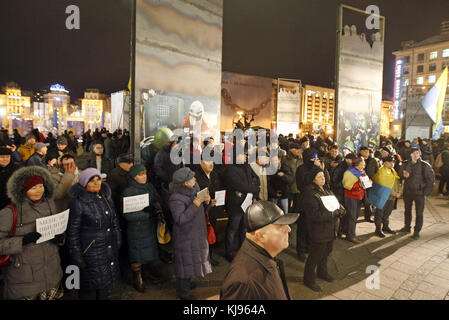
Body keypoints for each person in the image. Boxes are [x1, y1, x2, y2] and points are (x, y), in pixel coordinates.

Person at [0, 166, 64, 300]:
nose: (39, 191)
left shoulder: (50, 204)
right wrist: (22, 241)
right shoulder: (10, 212)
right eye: (33, 188)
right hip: (24, 279)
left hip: (52, 274)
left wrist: (59, 237)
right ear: (23, 190)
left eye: (41, 186)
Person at [220, 201, 299, 300]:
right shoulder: (243, 281)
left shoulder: (267, 257)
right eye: (280, 226)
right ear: (260, 236)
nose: (289, 229)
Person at [66, 168, 122, 300]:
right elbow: (72, 232)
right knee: (90, 286)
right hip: (90, 251)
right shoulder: (78, 202)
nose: (97, 183)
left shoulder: (105, 197)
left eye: (99, 180)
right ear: (84, 183)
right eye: (92, 181)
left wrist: (118, 239)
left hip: (107, 247)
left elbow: (114, 220)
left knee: (105, 284)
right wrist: (77, 255)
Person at [168, 167, 212, 300]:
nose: (195, 179)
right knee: (184, 263)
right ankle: (183, 293)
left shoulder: (195, 191)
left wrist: (208, 203)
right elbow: (180, 219)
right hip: (185, 236)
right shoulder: (176, 198)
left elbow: (200, 211)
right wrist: (195, 204)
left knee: (191, 261)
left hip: (196, 232)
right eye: (192, 177)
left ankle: (187, 283)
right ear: (185, 182)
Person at [302, 167, 345, 292]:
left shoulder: (326, 190)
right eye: (320, 177)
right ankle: (308, 280)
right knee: (314, 257)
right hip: (318, 230)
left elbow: (336, 203)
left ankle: (322, 272)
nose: (323, 178)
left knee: (326, 253)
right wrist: (333, 214)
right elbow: (314, 215)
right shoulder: (310, 193)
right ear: (313, 179)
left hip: (330, 229)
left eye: (324, 176)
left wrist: (341, 209)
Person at [122, 164, 164, 293]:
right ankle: (137, 278)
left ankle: (146, 273)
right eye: (140, 174)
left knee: (148, 252)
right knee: (137, 254)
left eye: (145, 173)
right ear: (134, 177)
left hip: (150, 226)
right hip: (136, 228)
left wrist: (155, 207)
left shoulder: (150, 187)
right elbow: (127, 215)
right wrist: (147, 214)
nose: (144, 176)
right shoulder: (128, 191)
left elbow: (158, 200)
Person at [223, 150, 260, 262]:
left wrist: (254, 186)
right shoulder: (230, 169)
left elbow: (256, 178)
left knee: (244, 228)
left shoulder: (246, 166)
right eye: (242, 155)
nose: (245, 156)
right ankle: (229, 252)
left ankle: (243, 250)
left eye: (245, 154)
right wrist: (254, 189)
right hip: (235, 204)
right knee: (232, 229)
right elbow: (239, 185)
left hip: (246, 202)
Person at [192, 154, 224, 266]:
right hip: (201, 212)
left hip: (213, 210)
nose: (211, 164)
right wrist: (208, 202)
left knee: (211, 234)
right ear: (201, 163)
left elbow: (219, 188)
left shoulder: (215, 174)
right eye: (207, 161)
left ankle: (209, 257)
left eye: (212, 161)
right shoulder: (195, 177)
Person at [399, 148, 435, 239]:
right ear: (410, 154)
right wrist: (403, 175)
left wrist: (425, 193)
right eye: (414, 153)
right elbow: (399, 176)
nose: (416, 155)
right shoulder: (406, 164)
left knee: (419, 213)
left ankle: (417, 231)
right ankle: (407, 227)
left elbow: (431, 180)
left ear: (420, 154)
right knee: (407, 210)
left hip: (419, 193)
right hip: (407, 192)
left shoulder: (424, 165)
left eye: (417, 153)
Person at [368, 156, 401, 238]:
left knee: (387, 212)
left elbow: (396, 182)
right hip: (383, 197)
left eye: (393, 162)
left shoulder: (392, 171)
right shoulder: (382, 172)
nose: (392, 164)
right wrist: (395, 194)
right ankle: (378, 229)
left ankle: (385, 227)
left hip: (391, 197)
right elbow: (383, 186)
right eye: (390, 162)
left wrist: (399, 191)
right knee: (379, 213)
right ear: (385, 163)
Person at [343, 157, 368, 243]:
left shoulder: (362, 172)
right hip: (351, 197)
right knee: (352, 217)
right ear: (357, 164)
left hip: (359, 197)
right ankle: (350, 236)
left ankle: (350, 233)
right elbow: (346, 185)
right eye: (362, 163)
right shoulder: (349, 173)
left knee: (355, 216)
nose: (364, 165)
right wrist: (359, 185)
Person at [281, 142, 303, 213]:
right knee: (288, 206)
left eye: (299, 149)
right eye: (297, 149)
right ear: (291, 150)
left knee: (298, 205)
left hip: (299, 186)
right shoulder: (284, 159)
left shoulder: (302, 159)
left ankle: (296, 219)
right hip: (289, 186)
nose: (298, 151)